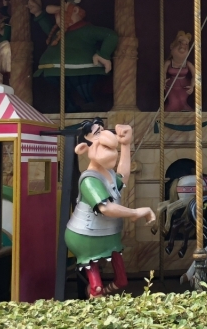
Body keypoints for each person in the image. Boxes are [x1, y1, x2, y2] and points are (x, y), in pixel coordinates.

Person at [64, 119, 155, 297]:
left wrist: (126, 145)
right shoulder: (89, 180)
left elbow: (122, 176)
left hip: (108, 235)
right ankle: (96, 301)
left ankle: (100, 296)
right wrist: (135, 212)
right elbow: (105, 208)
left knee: (122, 280)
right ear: (84, 147)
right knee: (96, 287)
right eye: (96, 133)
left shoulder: (108, 174)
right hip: (85, 236)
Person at [30, 0, 118, 112]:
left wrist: (103, 54)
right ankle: (70, 104)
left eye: (62, 14)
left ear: (75, 11)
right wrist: (38, 13)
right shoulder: (60, 33)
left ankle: (90, 102)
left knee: (82, 83)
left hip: (83, 67)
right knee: (61, 85)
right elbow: (48, 30)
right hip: (54, 69)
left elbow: (110, 35)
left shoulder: (86, 30)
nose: (58, 18)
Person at [162, 31, 195, 112]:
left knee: (182, 101)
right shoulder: (168, 63)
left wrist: (192, 86)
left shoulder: (188, 64)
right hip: (171, 86)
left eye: (186, 44)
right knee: (173, 103)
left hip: (184, 86)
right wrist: (163, 81)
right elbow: (163, 73)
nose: (183, 46)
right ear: (172, 46)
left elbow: (195, 75)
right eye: (180, 42)